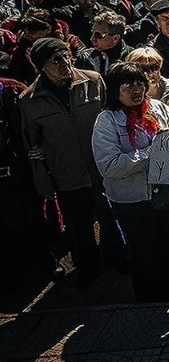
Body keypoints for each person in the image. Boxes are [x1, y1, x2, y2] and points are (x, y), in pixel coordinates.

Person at [19, 37, 127, 288]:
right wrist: (44, 183)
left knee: (110, 219)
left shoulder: (93, 80)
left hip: (101, 167)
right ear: (41, 67)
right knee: (79, 229)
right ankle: (87, 268)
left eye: (66, 55)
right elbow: (32, 145)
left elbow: (112, 119)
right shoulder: (29, 100)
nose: (65, 63)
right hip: (67, 172)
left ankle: (118, 259)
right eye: (56, 60)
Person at [91, 62, 169, 302]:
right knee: (144, 252)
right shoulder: (107, 121)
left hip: (165, 193)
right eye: (128, 85)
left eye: (139, 83)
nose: (136, 90)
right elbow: (110, 166)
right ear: (114, 90)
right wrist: (153, 152)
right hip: (132, 199)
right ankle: (147, 297)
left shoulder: (158, 108)